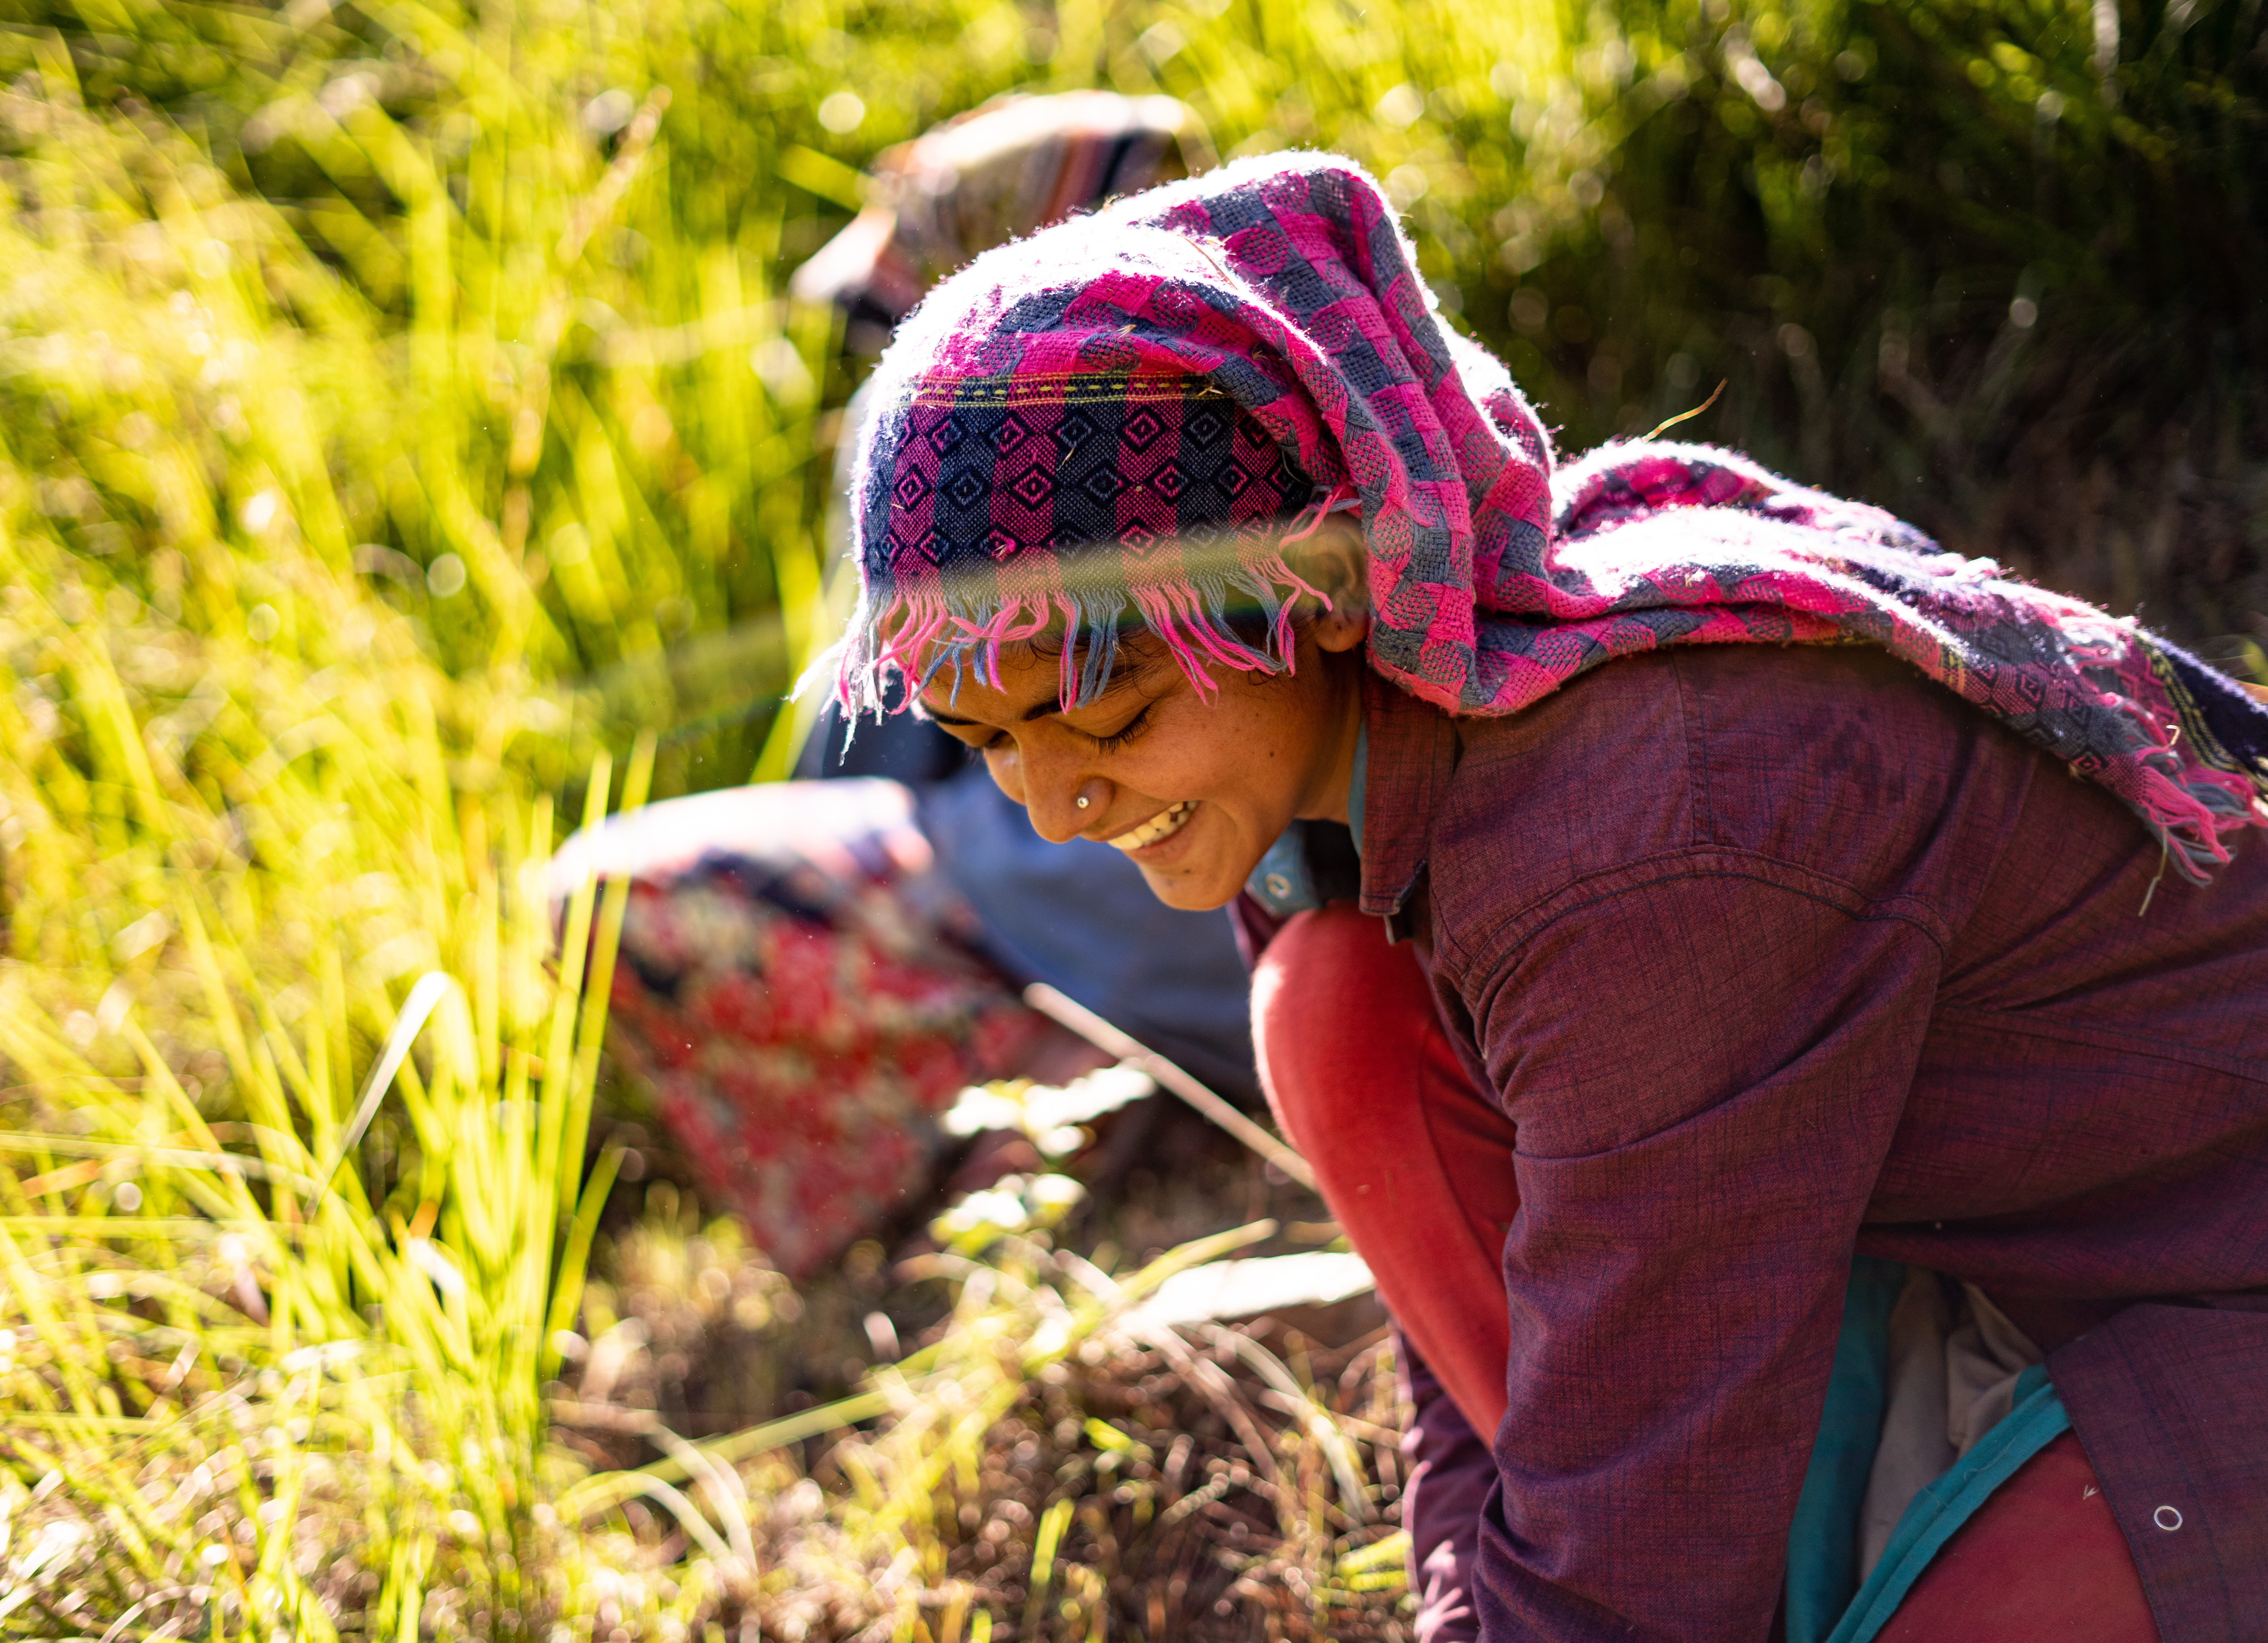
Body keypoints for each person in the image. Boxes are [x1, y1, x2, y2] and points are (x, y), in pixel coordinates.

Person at [820, 153, 2268, 1641]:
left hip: (2217, 1287)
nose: (1057, 809)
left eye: (1108, 720)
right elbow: (1493, 1416)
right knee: (1335, 1004)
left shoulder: (1643, 834)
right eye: (991, 743)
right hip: (1988, 1263)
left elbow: (1624, 1555)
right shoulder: (1327, 800)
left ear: (1301, 593)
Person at [551, 92, 1255, 1280]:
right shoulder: (1262, 372)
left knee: (605, 893)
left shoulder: (943, 411)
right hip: (1270, 920)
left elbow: (869, 733)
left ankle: (1008, 1115)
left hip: (1079, 906)